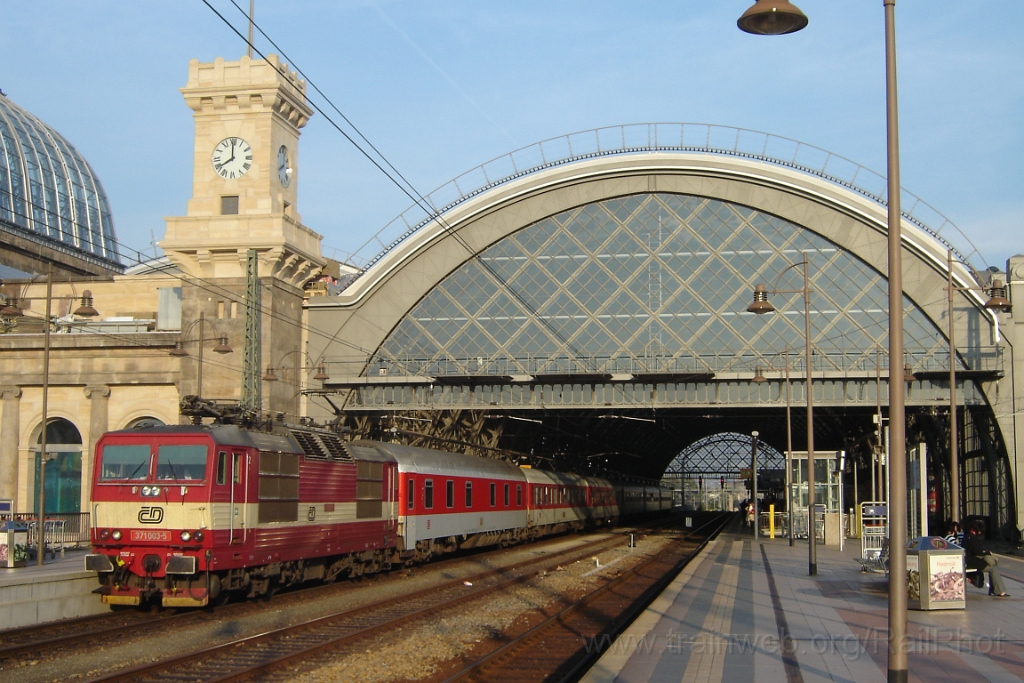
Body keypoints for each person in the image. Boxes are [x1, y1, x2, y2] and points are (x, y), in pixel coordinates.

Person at [963, 520, 1009, 597]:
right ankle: (999, 591)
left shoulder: (967, 536)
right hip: (972, 562)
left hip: (968, 561)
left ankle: (994, 590)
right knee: (992, 568)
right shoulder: (972, 538)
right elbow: (978, 551)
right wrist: (987, 553)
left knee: (992, 567)